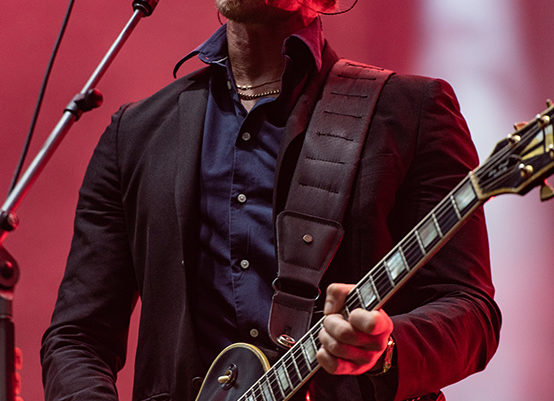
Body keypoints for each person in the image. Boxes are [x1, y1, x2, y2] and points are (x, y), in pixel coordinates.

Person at [40, 0, 501, 400]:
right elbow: (77, 336)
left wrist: (388, 346)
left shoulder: (410, 110)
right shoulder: (137, 132)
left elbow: (470, 311)